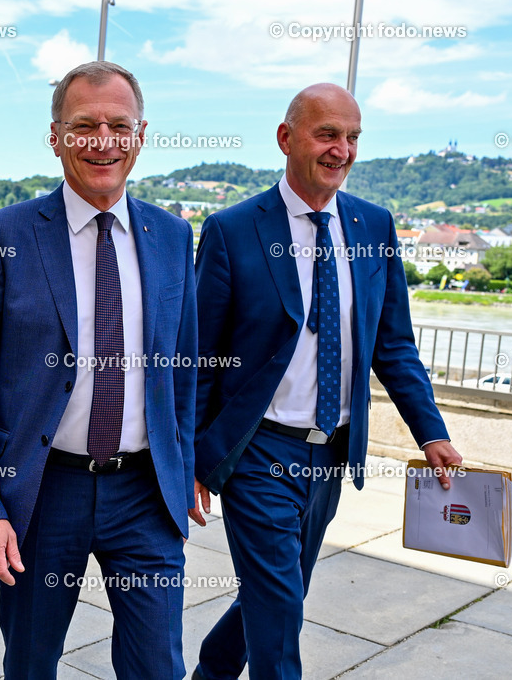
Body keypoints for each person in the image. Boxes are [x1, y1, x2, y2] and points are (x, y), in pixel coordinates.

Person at [0, 61, 204, 679]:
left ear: (141, 135)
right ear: (56, 137)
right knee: (31, 663)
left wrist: (186, 462)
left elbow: (182, 369)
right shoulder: (3, 234)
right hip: (42, 490)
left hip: (145, 494)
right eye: (84, 126)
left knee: (159, 667)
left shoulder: (172, 236)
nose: (102, 140)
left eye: (119, 125)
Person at [191, 83, 464, 680]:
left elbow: (392, 345)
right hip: (257, 450)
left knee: (280, 592)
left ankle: (211, 671)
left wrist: (430, 432)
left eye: (352, 137)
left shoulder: (374, 225)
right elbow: (200, 355)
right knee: (281, 606)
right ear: (287, 139)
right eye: (327, 134)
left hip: (331, 454)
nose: (342, 149)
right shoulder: (233, 229)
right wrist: (192, 459)